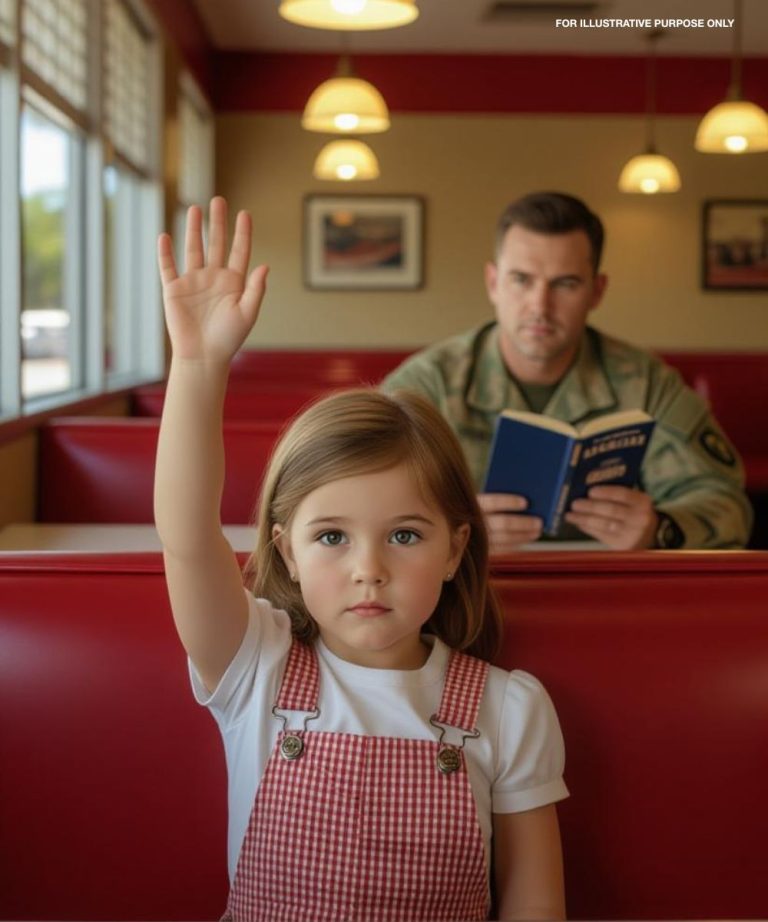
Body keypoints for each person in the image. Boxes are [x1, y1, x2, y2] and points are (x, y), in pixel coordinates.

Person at [154, 197, 568, 922]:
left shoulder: (510, 708)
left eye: (405, 535)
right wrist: (197, 363)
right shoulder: (256, 662)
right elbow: (187, 535)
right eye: (332, 537)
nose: (367, 567)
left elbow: (535, 904)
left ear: (455, 548)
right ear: (284, 546)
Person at [382, 191, 752, 554]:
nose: (540, 306)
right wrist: (455, 529)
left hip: (607, 593)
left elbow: (728, 507)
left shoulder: (648, 384)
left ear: (597, 291)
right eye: (522, 280)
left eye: (566, 284)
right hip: (468, 596)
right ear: (494, 283)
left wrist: (660, 528)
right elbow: (359, 501)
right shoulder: (425, 385)